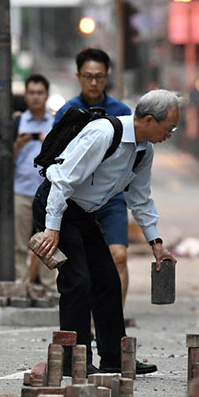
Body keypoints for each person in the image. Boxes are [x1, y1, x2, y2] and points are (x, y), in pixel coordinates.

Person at [33, 89, 179, 375]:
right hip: (57, 206)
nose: (170, 134)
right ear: (149, 120)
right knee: (77, 282)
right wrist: (52, 228)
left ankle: (114, 357)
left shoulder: (143, 150)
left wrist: (156, 242)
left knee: (108, 281)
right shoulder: (103, 134)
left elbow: (140, 198)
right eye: (169, 127)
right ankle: (74, 360)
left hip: (85, 214)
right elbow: (62, 180)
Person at [54, 48, 133, 307]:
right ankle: (87, 320)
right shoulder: (67, 112)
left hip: (111, 198)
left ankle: (114, 323)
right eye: (88, 76)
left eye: (99, 76)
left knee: (118, 256)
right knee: (83, 263)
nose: (94, 82)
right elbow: (55, 158)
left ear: (107, 76)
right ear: (78, 76)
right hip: (76, 200)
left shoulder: (121, 111)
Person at [13, 73, 56, 291]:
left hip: (48, 194)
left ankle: (48, 289)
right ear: (26, 95)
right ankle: (21, 287)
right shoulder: (17, 122)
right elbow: (4, 159)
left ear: (46, 95)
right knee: (19, 245)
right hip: (20, 191)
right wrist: (18, 145)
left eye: (40, 93)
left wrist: (46, 141)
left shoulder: (55, 123)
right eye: (31, 93)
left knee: (48, 244)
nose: (36, 97)